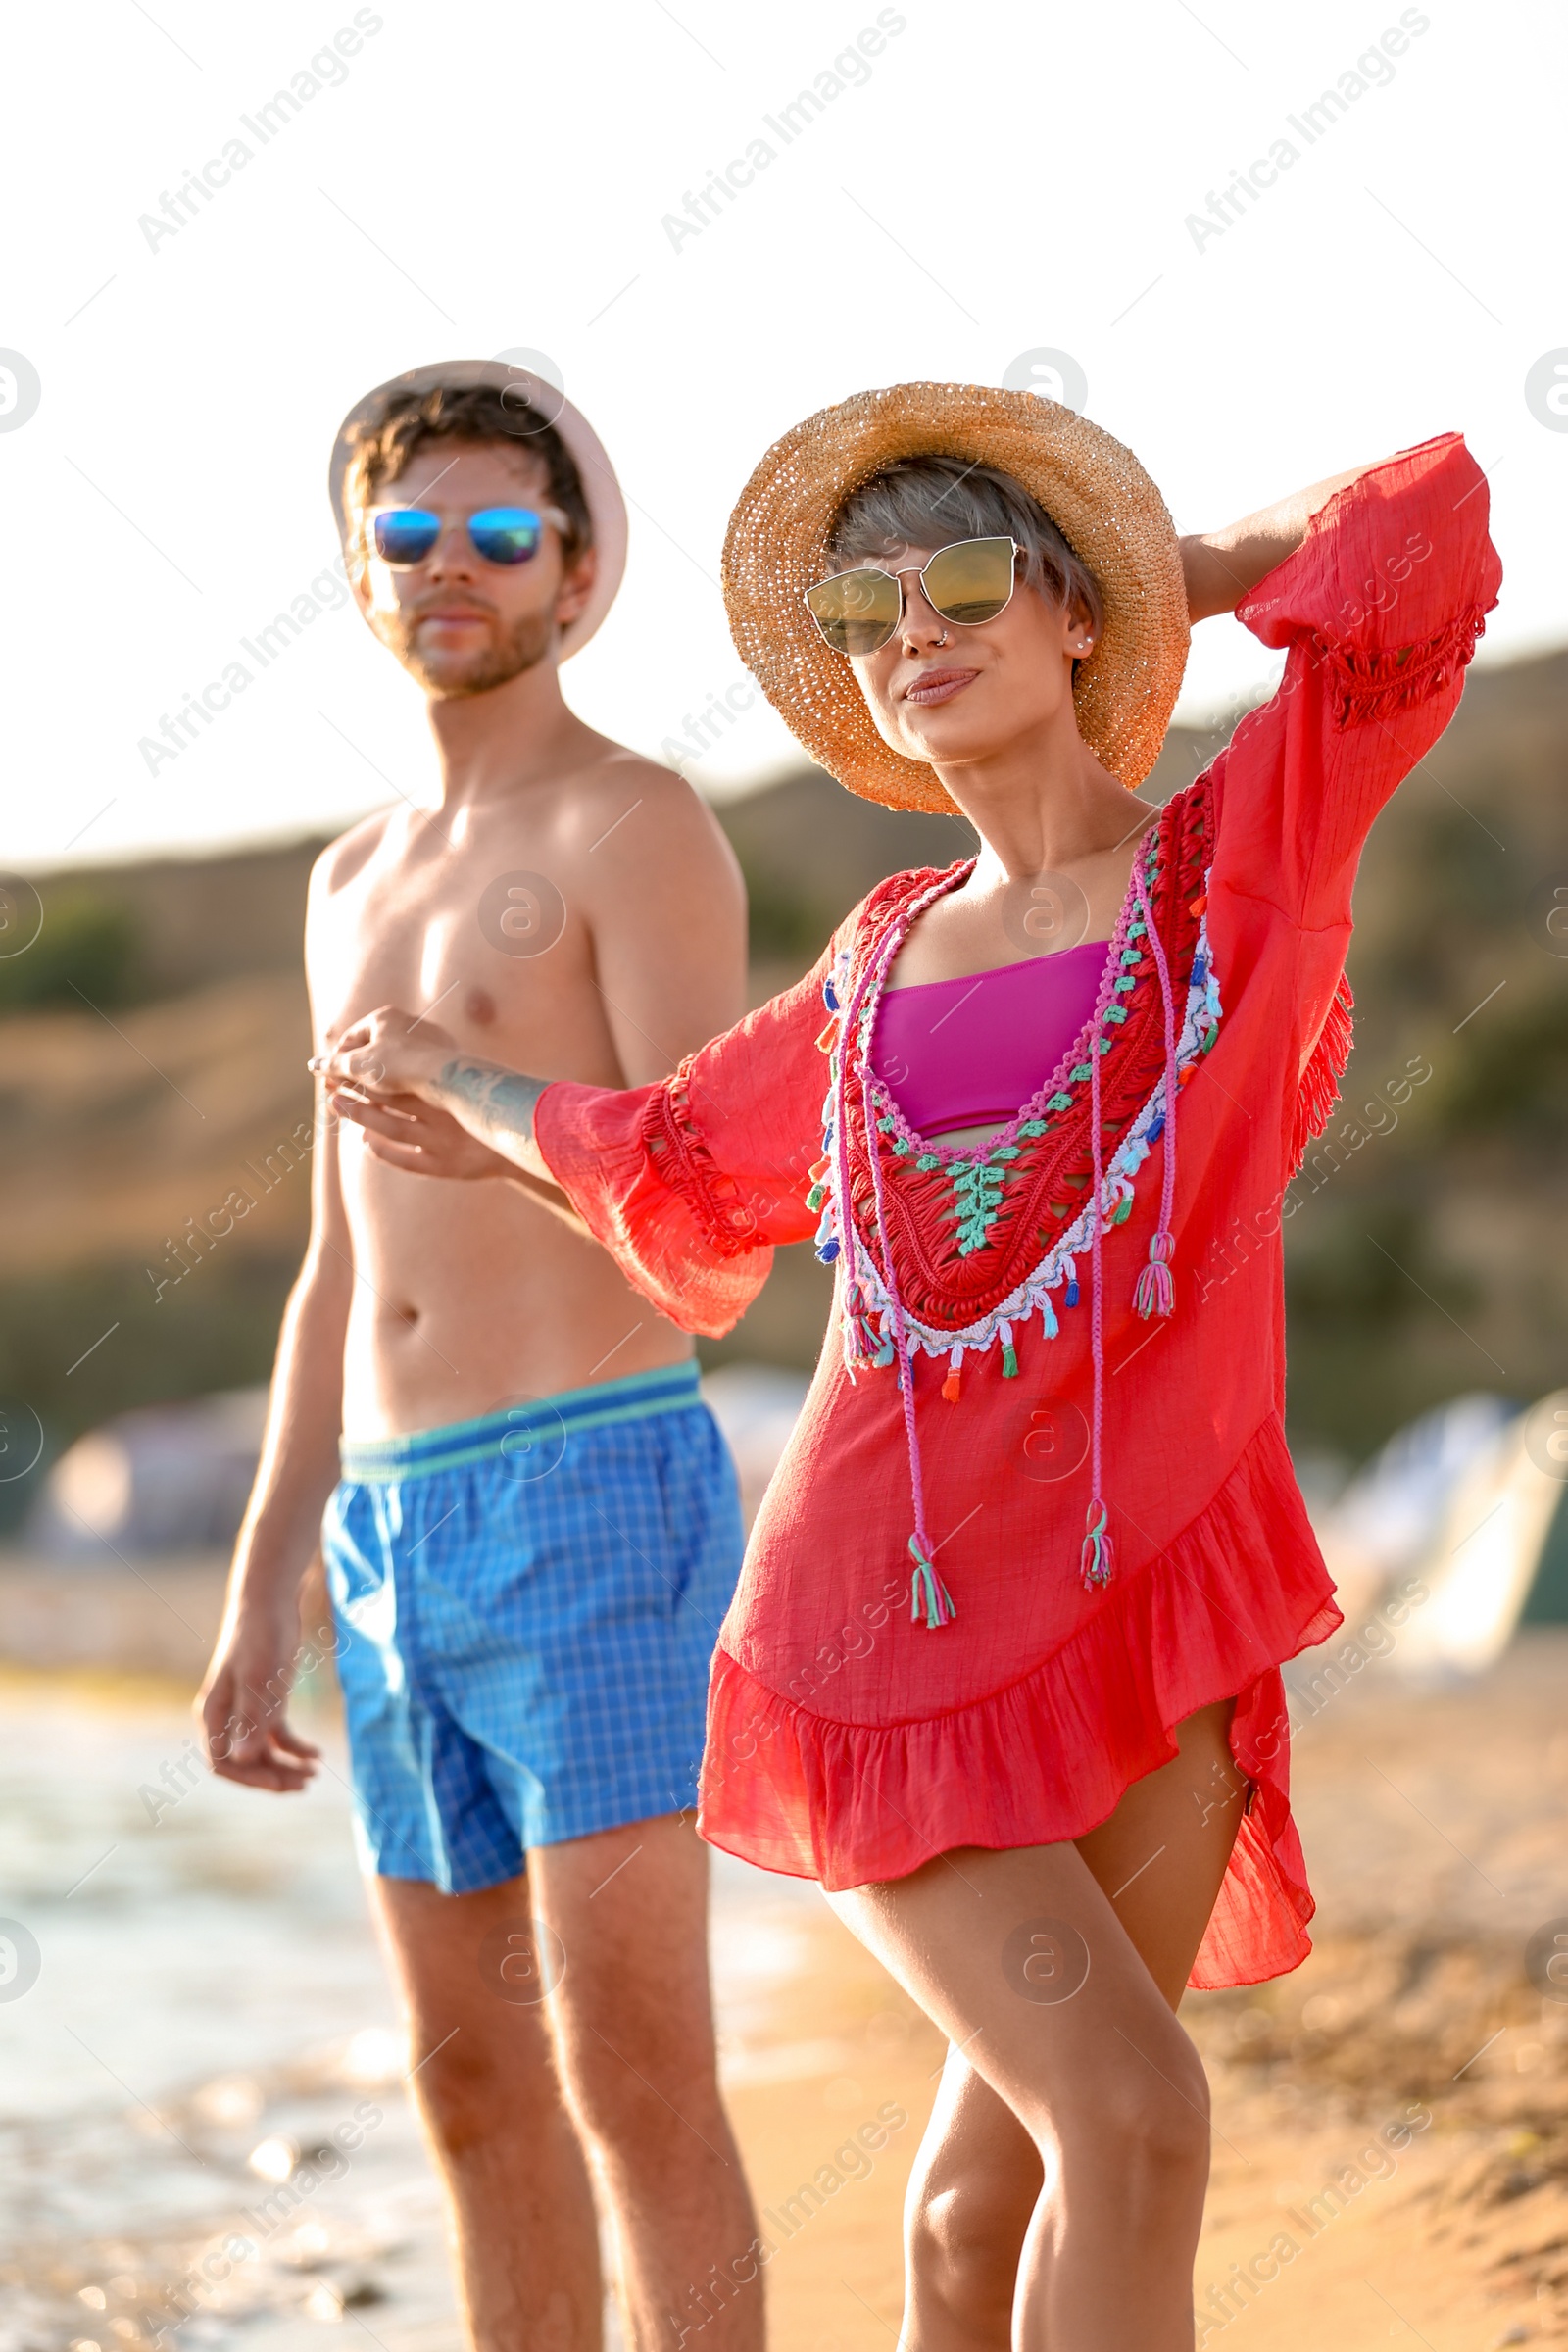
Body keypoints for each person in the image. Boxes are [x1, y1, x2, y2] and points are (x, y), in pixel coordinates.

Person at [322, 382, 1500, 2349]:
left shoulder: (1237, 862)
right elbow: (672, 1155)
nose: (912, 637)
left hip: (1156, 1611)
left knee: (977, 2210)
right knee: (1131, 2124)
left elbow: (1421, 531)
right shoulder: (871, 961)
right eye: (865, 623)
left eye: (958, 583)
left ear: (1065, 613)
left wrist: (1166, 571)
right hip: (886, 1637)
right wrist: (457, 1079)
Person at [197, 360, 761, 2352]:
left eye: (497, 532)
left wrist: (477, 1094)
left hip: (594, 1484)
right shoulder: (343, 880)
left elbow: (720, 1218)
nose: (451, 567)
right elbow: (339, 1259)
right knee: (465, 2086)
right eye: (409, 534)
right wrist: (267, 1573)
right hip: (384, 1531)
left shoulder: (635, 822)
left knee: (630, 2077)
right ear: (362, 576)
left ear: (573, 566)